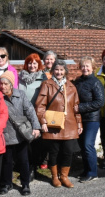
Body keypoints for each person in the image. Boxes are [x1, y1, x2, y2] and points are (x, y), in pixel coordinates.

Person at [35, 59, 82, 188]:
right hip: (53, 123)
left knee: (68, 151)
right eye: (56, 69)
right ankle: (55, 177)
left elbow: (76, 107)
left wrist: (79, 124)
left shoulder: (72, 86)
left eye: (61, 70)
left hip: (69, 124)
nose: (59, 72)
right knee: (54, 151)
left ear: (65, 71)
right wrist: (43, 121)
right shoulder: (47, 84)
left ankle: (64, 176)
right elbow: (40, 105)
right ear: (53, 71)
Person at [0, 72, 41, 196]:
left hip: (21, 134)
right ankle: (7, 183)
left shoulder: (20, 95)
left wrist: (36, 127)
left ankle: (25, 184)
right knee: (7, 161)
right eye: (1, 83)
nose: (3, 86)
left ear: (11, 84)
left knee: (23, 160)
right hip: (5, 134)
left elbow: (30, 111)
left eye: (5, 83)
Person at [73, 56, 104, 182]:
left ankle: (93, 172)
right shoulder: (78, 81)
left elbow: (100, 102)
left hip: (92, 118)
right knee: (82, 145)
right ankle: (86, 170)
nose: (85, 68)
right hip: (80, 119)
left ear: (92, 67)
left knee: (88, 144)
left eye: (87, 66)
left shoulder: (96, 82)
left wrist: (81, 107)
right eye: (83, 66)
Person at [18, 53, 48, 176]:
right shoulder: (20, 77)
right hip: (21, 113)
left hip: (36, 113)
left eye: (35, 63)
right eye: (30, 63)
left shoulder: (43, 78)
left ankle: (32, 168)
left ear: (38, 65)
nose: (32, 65)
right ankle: (24, 165)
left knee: (35, 142)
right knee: (24, 142)